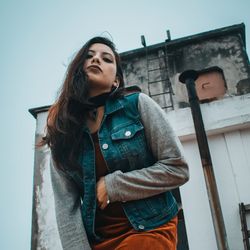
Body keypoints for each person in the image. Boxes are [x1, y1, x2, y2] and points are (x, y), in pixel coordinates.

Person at [40, 36, 189, 250]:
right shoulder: (62, 132)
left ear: (116, 81)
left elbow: (177, 169)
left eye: (106, 59)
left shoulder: (137, 106)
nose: (96, 60)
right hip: (98, 241)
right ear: (77, 69)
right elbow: (66, 209)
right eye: (89, 56)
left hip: (149, 228)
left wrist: (114, 186)